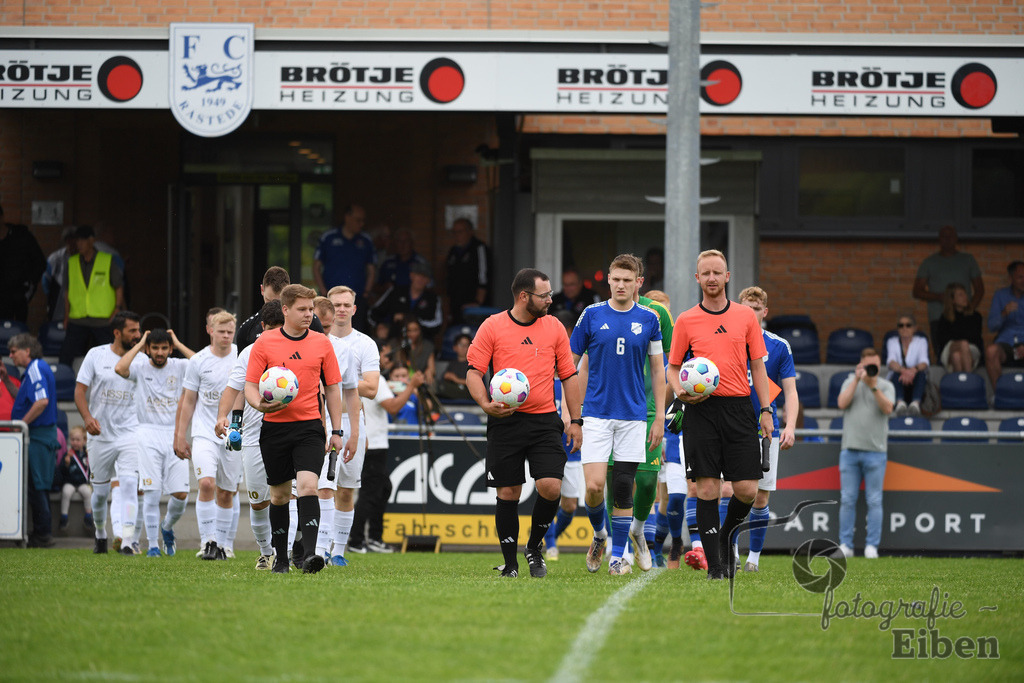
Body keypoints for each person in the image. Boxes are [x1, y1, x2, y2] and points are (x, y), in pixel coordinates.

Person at [466, 268, 583, 579]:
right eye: (543, 295)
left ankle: (534, 547)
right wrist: (485, 404)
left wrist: (576, 420)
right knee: (508, 492)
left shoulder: (555, 327)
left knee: (551, 486)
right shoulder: (492, 326)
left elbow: (569, 376)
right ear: (523, 296)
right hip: (506, 421)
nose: (549, 300)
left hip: (545, 420)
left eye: (549, 294)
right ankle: (511, 563)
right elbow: (473, 373)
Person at [666, 250, 774, 580]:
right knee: (708, 488)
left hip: (740, 408)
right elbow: (672, 367)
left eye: (718, 272)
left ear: (727, 277)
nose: (712, 278)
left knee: (746, 490)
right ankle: (716, 567)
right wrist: (679, 390)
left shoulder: (745, 318)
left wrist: (766, 409)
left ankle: (727, 534)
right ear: (697, 279)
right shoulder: (686, 319)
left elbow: (757, 365)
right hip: (700, 410)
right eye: (705, 273)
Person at [244, 284, 354, 575]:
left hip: (309, 428)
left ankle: (309, 556)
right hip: (274, 429)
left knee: (308, 487)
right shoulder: (265, 342)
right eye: (302, 310)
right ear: (285, 310)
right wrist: (259, 404)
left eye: (310, 310)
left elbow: (332, 387)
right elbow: (251, 384)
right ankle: (280, 558)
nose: (309, 315)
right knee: (279, 496)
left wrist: (337, 431)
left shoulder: (321, 343)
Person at [571, 254, 665, 576]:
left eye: (628, 279)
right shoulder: (591, 315)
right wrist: (572, 413)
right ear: (608, 280)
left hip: (634, 416)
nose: (621, 284)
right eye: (616, 279)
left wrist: (658, 418)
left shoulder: (650, 319)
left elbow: (657, 370)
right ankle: (599, 536)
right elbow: (572, 366)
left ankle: (618, 557)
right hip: (596, 414)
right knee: (596, 486)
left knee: (624, 488)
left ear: (638, 282)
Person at [216, 300, 285, 570]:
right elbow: (232, 389)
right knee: (259, 502)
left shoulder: (297, 349)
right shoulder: (249, 354)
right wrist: (225, 418)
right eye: (273, 329)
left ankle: (288, 551)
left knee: (288, 496)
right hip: (256, 435)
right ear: (263, 327)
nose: (278, 334)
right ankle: (266, 552)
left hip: (290, 430)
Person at [115, 328, 195, 557]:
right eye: (155, 348)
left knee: (180, 494)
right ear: (149, 349)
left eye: (164, 348)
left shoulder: (179, 366)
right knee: (151, 492)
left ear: (169, 349)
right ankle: (152, 546)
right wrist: (140, 343)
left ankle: (167, 527)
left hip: (175, 433)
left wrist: (178, 343)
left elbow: (200, 363)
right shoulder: (139, 367)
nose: (159, 353)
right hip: (147, 433)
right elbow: (120, 368)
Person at [737, 286, 798, 573]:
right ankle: (732, 553)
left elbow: (790, 391)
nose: (752, 314)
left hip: (765, 431)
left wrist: (791, 426)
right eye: (746, 308)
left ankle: (754, 559)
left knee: (761, 496)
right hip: (732, 427)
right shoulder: (729, 341)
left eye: (756, 309)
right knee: (730, 491)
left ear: (765, 312)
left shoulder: (778, 346)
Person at [74, 311, 143, 554]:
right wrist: (87, 418)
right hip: (100, 435)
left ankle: (126, 540)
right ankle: (101, 533)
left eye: (138, 330)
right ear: (117, 333)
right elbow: (80, 391)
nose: (137, 335)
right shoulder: (96, 354)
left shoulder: (140, 359)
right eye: (132, 331)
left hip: (129, 434)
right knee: (100, 493)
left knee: (128, 484)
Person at [350, 340, 425, 554]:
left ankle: (373, 537)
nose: (387, 359)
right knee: (370, 494)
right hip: (373, 443)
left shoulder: (359, 378)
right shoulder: (377, 379)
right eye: (384, 355)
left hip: (369, 441)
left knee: (382, 489)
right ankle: (357, 540)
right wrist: (412, 386)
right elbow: (392, 407)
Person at [318, 285, 375, 567]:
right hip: (320, 419)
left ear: (354, 309)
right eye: (335, 305)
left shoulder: (364, 344)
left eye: (345, 305)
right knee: (323, 486)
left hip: (353, 421)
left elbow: (372, 387)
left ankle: (338, 551)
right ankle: (320, 548)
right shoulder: (314, 342)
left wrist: (336, 383)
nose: (340, 309)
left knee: (345, 489)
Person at [174, 311, 238, 561]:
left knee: (226, 491)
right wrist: (181, 434)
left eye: (229, 332)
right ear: (210, 330)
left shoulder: (241, 357)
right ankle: (208, 542)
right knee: (207, 484)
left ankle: (223, 544)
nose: (225, 336)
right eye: (221, 331)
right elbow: (188, 400)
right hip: (204, 433)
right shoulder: (198, 361)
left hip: (233, 435)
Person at [836, 348, 895, 559]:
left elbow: (888, 409)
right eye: (868, 365)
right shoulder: (850, 381)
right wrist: (856, 380)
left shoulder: (886, 385)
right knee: (848, 499)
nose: (872, 369)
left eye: (875, 366)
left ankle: (872, 547)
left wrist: (873, 387)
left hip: (876, 453)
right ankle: (845, 545)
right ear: (860, 365)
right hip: (850, 451)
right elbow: (841, 403)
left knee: (875, 500)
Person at [8, 333, 60, 547]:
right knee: (36, 485)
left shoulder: (36, 368)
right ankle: (41, 532)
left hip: (38, 436)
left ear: (26, 351)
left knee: (37, 486)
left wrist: (22, 425)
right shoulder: (32, 371)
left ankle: (43, 534)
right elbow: (24, 397)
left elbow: (41, 402)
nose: (10, 356)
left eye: (13, 351)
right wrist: (4, 380)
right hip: (38, 434)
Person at [59, 225, 127, 366]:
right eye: (77, 241)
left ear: (91, 240)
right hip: (77, 318)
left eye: (82, 240)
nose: (79, 244)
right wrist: (66, 315)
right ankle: (64, 383)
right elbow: (67, 291)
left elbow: (118, 286)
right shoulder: (71, 262)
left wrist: (117, 308)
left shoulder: (107, 260)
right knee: (65, 356)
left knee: (112, 356)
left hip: (102, 319)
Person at [913, 225, 984, 346]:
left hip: (965, 317)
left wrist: (970, 308)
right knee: (942, 353)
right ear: (939, 239)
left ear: (956, 238)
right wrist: (939, 297)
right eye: (944, 236)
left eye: (950, 236)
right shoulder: (929, 262)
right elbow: (917, 291)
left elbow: (980, 289)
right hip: (938, 316)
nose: (947, 239)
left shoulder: (967, 260)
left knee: (967, 349)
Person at [313, 204, 375, 331]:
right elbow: (316, 266)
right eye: (358, 220)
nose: (361, 224)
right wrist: (323, 292)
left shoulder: (366, 240)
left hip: (356, 299)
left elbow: (371, 270)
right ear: (347, 217)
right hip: (329, 297)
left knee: (356, 331)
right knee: (325, 330)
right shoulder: (328, 238)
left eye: (363, 220)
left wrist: (366, 293)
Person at [236, 266, 324, 348]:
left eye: (280, 302)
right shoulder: (248, 329)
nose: (274, 307)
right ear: (262, 290)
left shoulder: (310, 321)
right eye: (269, 301)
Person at [369, 262, 444, 340]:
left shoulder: (433, 299)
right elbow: (373, 313)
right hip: (394, 338)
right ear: (411, 276)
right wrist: (380, 325)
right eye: (418, 275)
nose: (421, 279)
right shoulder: (395, 291)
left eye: (424, 277)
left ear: (428, 281)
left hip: (421, 341)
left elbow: (436, 325)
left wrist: (409, 319)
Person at [0, 203, 47, 323]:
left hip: (18, 295)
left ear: (2, 217)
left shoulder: (21, 236)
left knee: (17, 332)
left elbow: (40, 262)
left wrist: (29, 284)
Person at [984, 260, 1024, 388]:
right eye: (1020, 277)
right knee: (991, 351)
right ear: (1011, 278)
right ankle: (1001, 395)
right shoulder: (1000, 295)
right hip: (1007, 344)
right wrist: (1003, 313)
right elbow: (991, 327)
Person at [445, 217, 492, 324]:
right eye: (454, 232)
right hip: (455, 304)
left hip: (474, 306)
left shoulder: (479, 248)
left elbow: (483, 277)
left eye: (460, 232)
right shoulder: (453, 251)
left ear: (470, 232)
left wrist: (477, 303)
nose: (457, 235)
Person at [885, 313, 930, 416]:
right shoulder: (892, 341)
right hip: (899, 380)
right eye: (901, 325)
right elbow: (891, 361)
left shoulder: (921, 341)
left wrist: (912, 371)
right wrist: (904, 371)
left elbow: (924, 362)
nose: (904, 328)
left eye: (908, 325)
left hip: (915, 380)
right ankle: (900, 403)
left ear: (914, 328)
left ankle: (915, 404)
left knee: (921, 373)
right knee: (895, 373)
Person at [935, 283, 984, 373]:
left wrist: (958, 336)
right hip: (951, 347)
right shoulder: (945, 318)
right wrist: (961, 338)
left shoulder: (976, 316)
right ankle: (969, 381)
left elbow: (975, 336)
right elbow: (942, 339)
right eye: (961, 295)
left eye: (965, 294)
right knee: (963, 344)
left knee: (956, 356)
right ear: (952, 300)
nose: (965, 297)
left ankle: (960, 383)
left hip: (972, 348)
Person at [56, 425, 94, 534]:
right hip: (70, 482)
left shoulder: (87, 455)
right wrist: (66, 463)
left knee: (87, 492)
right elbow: (62, 470)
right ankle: (64, 517)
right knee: (66, 492)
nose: (75, 442)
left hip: (82, 483)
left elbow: (91, 470)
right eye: (73, 440)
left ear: (84, 441)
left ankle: (88, 516)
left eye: (78, 440)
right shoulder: (68, 454)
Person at [397, 319, 436, 386]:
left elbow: (432, 368)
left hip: (420, 381)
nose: (413, 334)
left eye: (415, 330)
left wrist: (429, 371)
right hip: (400, 381)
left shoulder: (427, 346)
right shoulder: (397, 345)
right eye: (409, 331)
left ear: (420, 330)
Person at [435, 333, 472, 401]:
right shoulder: (452, 363)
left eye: (466, 345)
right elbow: (445, 376)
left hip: (466, 391)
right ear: (455, 347)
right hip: (452, 388)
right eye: (461, 344)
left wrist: (456, 379)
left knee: (439, 387)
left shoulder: (472, 364)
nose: (463, 348)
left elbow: (474, 382)